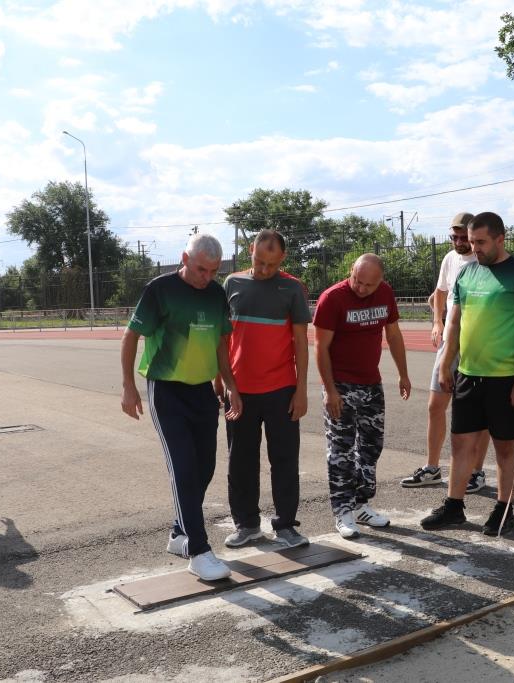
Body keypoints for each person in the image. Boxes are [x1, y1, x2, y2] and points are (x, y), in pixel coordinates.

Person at [120, 234, 243, 581]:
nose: (207, 277)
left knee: (204, 468)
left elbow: (221, 345)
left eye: (214, 271)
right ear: (184, 259)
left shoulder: (217, 293)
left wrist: (231, 385)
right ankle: (198, 551)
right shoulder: (160, 290)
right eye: (201, 269)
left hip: (203, 391)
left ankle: (179, 532)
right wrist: (129, 386)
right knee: (183, 468)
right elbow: (131, 336)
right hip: (167, 391)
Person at [420, 212, 514, 535]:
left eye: (480, 242)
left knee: (506, 447)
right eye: (471, 242)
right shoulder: (466, 275)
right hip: (467, 373)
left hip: (505, 378)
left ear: (500, 239)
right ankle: (453, 507)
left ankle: (504, 510)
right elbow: (455, 322)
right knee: (461, 444)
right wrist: (447, 362)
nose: (473, 248)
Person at [219, 229, 312, 549]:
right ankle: (246, 525)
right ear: (250, 251)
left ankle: (286, 525)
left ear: (282, 259)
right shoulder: (232, 283)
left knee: (284, 460)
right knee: (240, 461)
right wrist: (222, 380)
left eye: (271, 265)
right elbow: (223, 338)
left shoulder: (292, 288)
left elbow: (301, 342)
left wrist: (301, 390)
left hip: (281, 389)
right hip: (239, 391)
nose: (263, 270)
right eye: (259, 262)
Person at [313, 254, 411, 538]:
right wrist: (330, 390)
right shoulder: (332, 299)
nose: (362, 288)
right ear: (350, 272)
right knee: (341, 451)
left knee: (371, 447)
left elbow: (393, 334)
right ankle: (343, 510)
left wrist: (403, 374)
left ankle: (361, 504)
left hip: (371, 384)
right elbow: (320, 348)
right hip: (340, 386)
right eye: (357, 280)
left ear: (380, 280)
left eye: (369, 284)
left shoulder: (385, 293)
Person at [401, 212, 489, 492]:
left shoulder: (484, 260)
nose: (460, 242)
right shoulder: (450, 259)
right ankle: (432, 468)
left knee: (479, 411)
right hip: (448, 342)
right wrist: (436, 322)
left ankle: (476, 471)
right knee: (435, 405)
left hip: (477, 344)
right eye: (455, 237)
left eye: (465, 237)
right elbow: (439, 292)